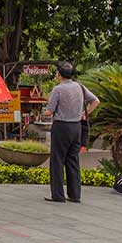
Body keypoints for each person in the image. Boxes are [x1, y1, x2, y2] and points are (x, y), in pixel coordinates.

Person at [45, 61, 99, 203]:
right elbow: (96, 101)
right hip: (76, 128)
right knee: (73, 160)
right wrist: (84, 114)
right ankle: (75, 195)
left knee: (57, 160)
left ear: (59, 75)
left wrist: (46, 108)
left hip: (61, 127)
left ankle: (58, 195)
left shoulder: (58, 89)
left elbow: (49, 111)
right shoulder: (80, 87)